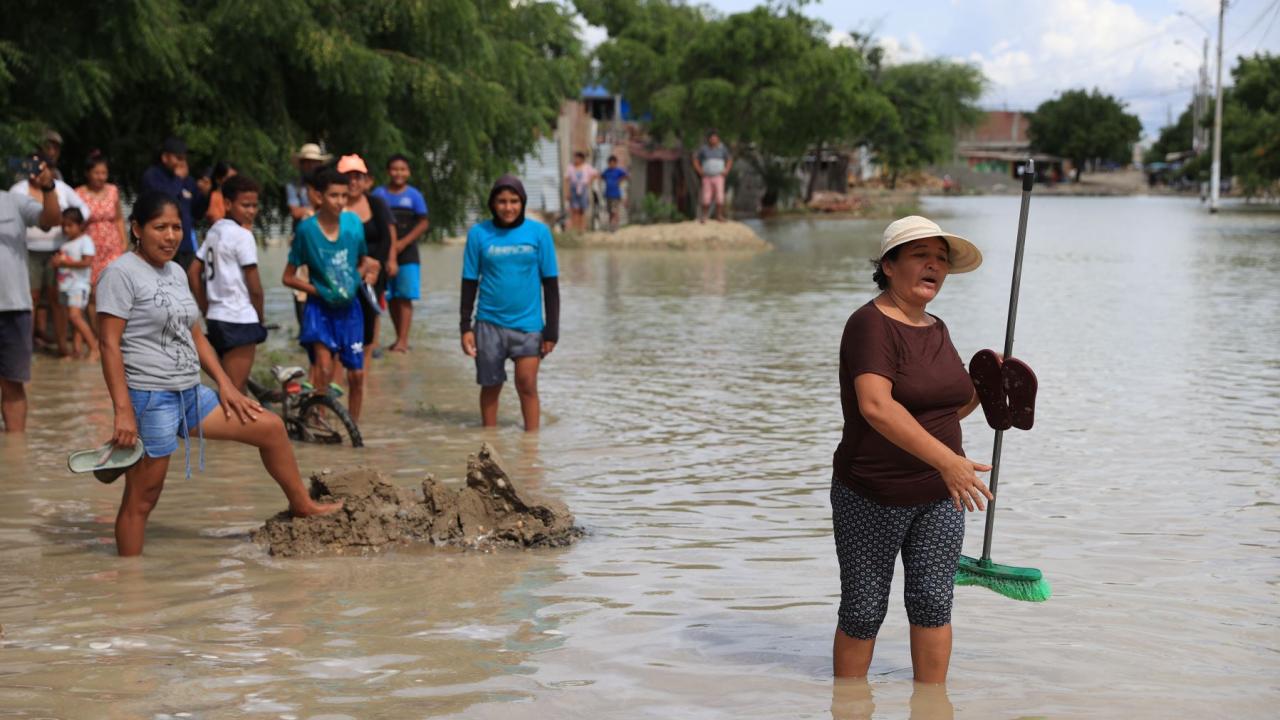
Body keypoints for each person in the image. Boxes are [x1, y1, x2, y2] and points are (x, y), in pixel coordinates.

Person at [96, 192, 342, 556]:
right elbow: (108, 345)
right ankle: (130, 586)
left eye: (176, 227)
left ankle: (302, 505)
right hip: (149, 398)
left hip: (190, 392)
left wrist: (227, 386)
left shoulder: (176, 271)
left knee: (270, 428)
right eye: (159, 227)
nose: (170, 236)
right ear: (136, 229)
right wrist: (122, 410)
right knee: (143, 497)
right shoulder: (120, 274)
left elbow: (196, 336)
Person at [830, 215, 993, 683]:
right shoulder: (869, 325)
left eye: (940, 259)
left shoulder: (936, 327)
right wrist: (949, 462)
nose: (934, 266)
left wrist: (989, 389)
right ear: (889, 264)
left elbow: (943, 410)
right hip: (872, 492)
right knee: (863, 609)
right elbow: (877, 408)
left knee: (933, 603)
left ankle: (932, 707)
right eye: (921, 255)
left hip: (941, 494)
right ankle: (850, 707)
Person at [460, 175, 559, 431]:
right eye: (502, 201)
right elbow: (469, 282)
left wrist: (552, 331)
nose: (508, 207)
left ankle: (531, 449)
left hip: (528, 325)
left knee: (527, 385)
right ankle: (489, 444)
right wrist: (465, 328)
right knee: (491, 386)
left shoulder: (539, 233)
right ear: (492, 203)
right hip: (488, 323)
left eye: (514, 201)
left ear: (522, 202)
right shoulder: (479, 234)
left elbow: (550, 285)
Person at [283, 169, 379, 422]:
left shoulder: (353, 224)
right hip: (320, 310)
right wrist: (320, 291)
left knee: (357, 376)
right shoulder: (306, 231)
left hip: (351, 310)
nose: (339, 201)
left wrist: (357, 278)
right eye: (333, 195)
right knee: (324, 368)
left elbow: (362, 261)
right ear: (318, 196)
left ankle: (353, 428)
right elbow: (288, 277)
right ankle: (319, 419)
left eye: (344, 196)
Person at [188, 174, 267, 392]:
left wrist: (205, 308)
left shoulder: (215, 230)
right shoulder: (243, 236)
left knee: (232, 388)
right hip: (239, 319)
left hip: (216, 319)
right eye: (245, 205)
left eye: (254, 205)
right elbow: (255, 288)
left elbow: (194, 272)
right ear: (229, 204)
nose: (251, 211)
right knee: (233, 391)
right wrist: (259, 318)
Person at [0, 161, 62, 432]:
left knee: (13, 385)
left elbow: (51, 220)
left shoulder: (13, 201)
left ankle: (15, 456)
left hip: (13, 306)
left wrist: (48, 186)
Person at [10, 156, 91, 356]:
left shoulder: (61, 187)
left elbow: (84, 210)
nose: (37, 170)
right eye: (33, 166)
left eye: (41, 167)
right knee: (30, 299)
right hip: (28, 251)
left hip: (58, 250)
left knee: (58, 300)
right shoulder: (18, 190)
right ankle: (26, 348)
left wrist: (67, 222)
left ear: (48, 168)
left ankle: (63, 347)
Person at [336, 154, 393, 365]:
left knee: (371, 312)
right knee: (342, 314)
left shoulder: (376, 203)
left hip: (374, 269)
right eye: (347, 177)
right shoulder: (335, 206)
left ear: (365, 180)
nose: (353, 182)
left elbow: (387, 238)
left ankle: (365, 365)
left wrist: (376, 264)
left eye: (357, 177)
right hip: (343, 269)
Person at [372, 153, 429, 353]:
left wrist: (403, 242)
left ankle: (403, 340)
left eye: (403, 169)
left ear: (409, 172)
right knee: (391, 296)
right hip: (383, 252)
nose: (399, 173)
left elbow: (423, 222)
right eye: (395, 169)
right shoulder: (379, 194)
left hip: (408, 253)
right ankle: (397, 337)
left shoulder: (414, 195)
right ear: (388, 171)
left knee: (405, 296)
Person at [139, 136, 210, 270]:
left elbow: (197, 213)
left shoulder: (187, 180)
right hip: (161, 244)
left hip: (185, 245)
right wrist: (178, 179)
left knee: (184, 287)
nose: (182, 163)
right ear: (165, 157)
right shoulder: (152, 176)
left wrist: (205, 195)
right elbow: (162, 202)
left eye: (184, 158)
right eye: (178, 158)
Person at [75, 151, 128, 288]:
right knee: (94, 290)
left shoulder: (113, 190)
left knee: (115, 285)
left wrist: (123, 242)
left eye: (104, 173)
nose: (101, 177)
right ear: (87, 173)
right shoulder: (78, 194)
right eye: (97, 173)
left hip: (113, 247)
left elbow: (119, 218)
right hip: (91, 248)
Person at [51, 208, 98, 360]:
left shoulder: (85, 241)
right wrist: (57, 263)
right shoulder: (65, 244)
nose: (66, 229)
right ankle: (77, 351)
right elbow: (61, 263)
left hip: (79, 286)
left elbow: (87, 262)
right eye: (63, 225)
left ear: (80, 225)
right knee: (74, 320)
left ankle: (94, 347)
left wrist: (65, 263)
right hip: (65, 286)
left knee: (75, 317)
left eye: (70, 225)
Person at [286, 143, 330, 230]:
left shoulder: (329, 184)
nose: (311, 165)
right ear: (301, 164)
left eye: (314, 162)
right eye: (307, 162)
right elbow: (295, 211)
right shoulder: (294, 185)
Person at [693, 130, 732, 222]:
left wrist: (726, 170)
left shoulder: (723, 149)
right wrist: (699, 170)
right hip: (707, 176)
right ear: (709, 139)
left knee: (720, 197)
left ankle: (719, 216)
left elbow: (729, 160)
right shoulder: (704, 149)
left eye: (715, 138)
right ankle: (704, 216)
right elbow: (695, 159)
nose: (713, 140)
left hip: (719, 176)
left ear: (718, 139)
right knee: (706, 197)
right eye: (712, 138)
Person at [563, 151, 597, 232]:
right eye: (575, 158)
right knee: (574, 210)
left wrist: (589, 182)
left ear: (582, 159)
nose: (576, 159)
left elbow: (595, 174)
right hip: (573, 189)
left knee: (582, 210)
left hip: (583, 189)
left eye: (578, 158)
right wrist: (567, 192)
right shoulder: (570, 167)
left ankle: (582, 229)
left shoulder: (586, 166)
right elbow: (567, 180)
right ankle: (575, 228)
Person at [601, 155, 629, 232]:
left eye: (613, 163)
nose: (612, 164)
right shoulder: (606, 171)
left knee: (615, 210)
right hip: (608, 194)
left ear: (616, 163)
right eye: (610, 163)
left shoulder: (618, 171)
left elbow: (626, 175)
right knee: (610, 211)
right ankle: (611, 225)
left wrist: (619, 180)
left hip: (616, 195)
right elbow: (601, 176)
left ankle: (616, 226)